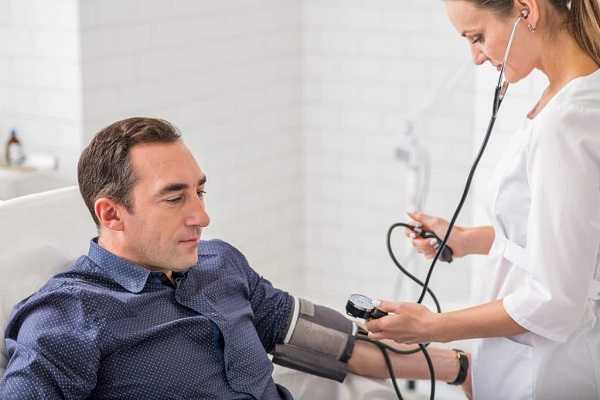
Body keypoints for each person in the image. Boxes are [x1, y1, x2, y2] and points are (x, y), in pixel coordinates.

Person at [0, 117, 467, 399]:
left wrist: (460, 368)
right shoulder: (68, 318)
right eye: (174, 198)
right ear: (111, 214)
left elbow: (334, 345)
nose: (202, 216)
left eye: (199, 192)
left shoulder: (219, 264)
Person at [366, 0, 600, 399]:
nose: (476, 57)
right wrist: (467, 239)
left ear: (527, 10)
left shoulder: (565, 122)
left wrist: (432, 326)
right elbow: (568, 239)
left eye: (477, 37)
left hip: (546, 375)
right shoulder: (567, 98)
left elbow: (553, 299)